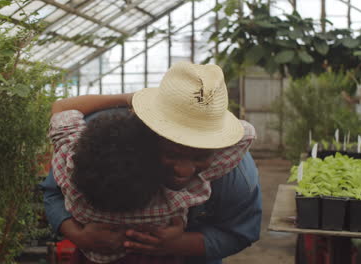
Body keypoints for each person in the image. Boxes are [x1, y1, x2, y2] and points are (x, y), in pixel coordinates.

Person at [41, 62, 262, 264]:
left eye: (200, 156)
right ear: (145, 131)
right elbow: (52, 193)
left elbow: (239, 232)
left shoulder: (238, 172)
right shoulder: (99, 141)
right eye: (172, 153)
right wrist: (79, 236)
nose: (184, 169)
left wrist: (178, 244)